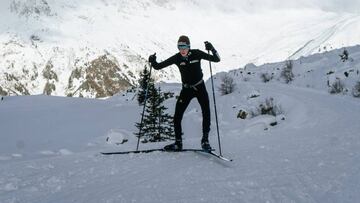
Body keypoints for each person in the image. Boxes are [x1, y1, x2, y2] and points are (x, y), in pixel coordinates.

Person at [148, 35, 220, 151]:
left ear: (189, 46)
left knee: (206, 112)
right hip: (186, 90)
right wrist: (152, 61)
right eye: (179, 47)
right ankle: (178, 143)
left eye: (184, 46)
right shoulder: (177, 58)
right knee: (177, 116)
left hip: (200, 87)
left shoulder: (196, 53)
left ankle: (205, 141)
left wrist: (212, 48)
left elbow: (217, 59)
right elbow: (158, 66)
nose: (182, 49)